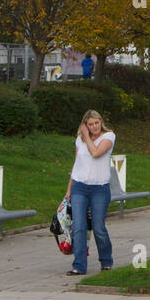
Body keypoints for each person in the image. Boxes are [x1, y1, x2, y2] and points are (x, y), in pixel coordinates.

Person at [65, 110, 115, 276]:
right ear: (85, 125)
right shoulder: (79, 140)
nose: (94, 127)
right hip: (80, 186)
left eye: (97, 123)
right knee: (79, 226)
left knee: (98, 226)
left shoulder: (108, 137)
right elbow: (76, 164)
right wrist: (69, 189)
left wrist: (86, 136)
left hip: (99, 188)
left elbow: (95, 153)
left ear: (101, 122)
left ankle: (106, 260)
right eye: (91, 124)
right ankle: (79, 265)